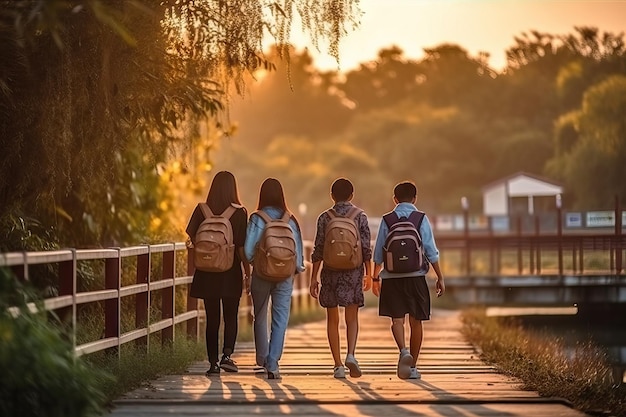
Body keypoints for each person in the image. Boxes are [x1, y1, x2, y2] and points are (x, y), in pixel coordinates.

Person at [372, 181, 445, 380]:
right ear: (415, 198)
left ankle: (403, 350)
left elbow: (378, 252)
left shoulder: (387, 220)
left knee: (397, 320)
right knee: (416, 322)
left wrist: (375, 276)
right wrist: (439, 276)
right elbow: (431, 250)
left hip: (392, 278)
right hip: (416, 277)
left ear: (394, 199)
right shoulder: (420, 218)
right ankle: (412, 366)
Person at [185, 171, 251, 377]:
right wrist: (247, 272)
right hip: (230, 270)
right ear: (233, 188)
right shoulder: (239, 212)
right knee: (231, 316)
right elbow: (241, 246)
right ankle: (227, 356)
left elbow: (192, 238)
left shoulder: (201, 210)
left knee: (212, 318)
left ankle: (212, 363)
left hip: (206, 271)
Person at [309, 178, 372, 379]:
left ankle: (337, 365)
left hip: (330, 272)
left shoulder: (324, 218)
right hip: (353, 272)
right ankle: (351, 354)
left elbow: (318, 250)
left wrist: (313, 278)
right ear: (352, 195)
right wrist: (369, 274)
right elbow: (365, 248)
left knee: (332, 319)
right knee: (351, 318)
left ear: (332, 196)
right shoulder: (360, 216)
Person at [244, 177, 305, 380]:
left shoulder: (257, 218)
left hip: (261, 274)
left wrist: (257, 263)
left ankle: (262, 358)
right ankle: (273, 363)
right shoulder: (291, 219)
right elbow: (298, 251)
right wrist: (294, 269)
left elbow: (247, 249)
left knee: (260, 315)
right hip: (285, 275)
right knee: (280, 319)